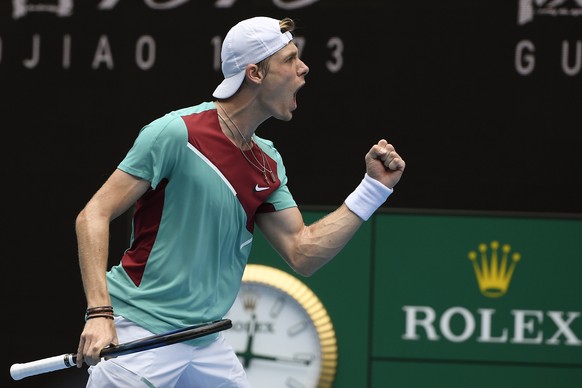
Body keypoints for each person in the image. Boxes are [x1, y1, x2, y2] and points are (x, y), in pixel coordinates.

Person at [75, 16, 405, 387]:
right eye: (290, 59)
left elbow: (304, 252)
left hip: (206, 340)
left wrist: (373, 189)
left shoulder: (268, 161)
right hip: (142, 332)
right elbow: (93, 215)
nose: (304, 67)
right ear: (255, 73)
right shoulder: (176, 133)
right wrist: (99, 314)